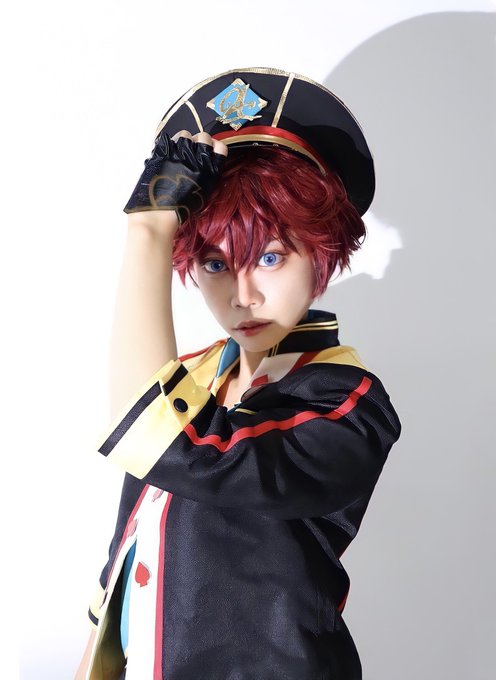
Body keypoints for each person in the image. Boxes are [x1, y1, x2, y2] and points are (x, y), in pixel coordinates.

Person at [75, 67, 401, 680]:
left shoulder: (348, 401)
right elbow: (131, 541)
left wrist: (148, 229)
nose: (242, 294)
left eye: (270, 257)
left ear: (320, 252)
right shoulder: (194, 375)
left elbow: (187, 448)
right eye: (215, 263)